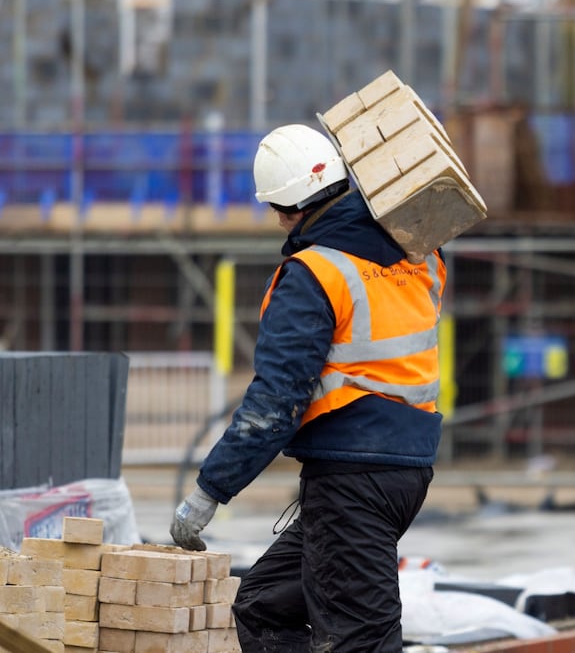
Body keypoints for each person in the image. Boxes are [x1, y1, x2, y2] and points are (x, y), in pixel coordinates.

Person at [170, 123, 447, 652]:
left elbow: (275, 403)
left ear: (287, 210)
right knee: (264, 604)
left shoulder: (314, 272)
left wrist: (209, 493)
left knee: (359, 641)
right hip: (405, 470)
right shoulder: (420, 256)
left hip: (353, 482)